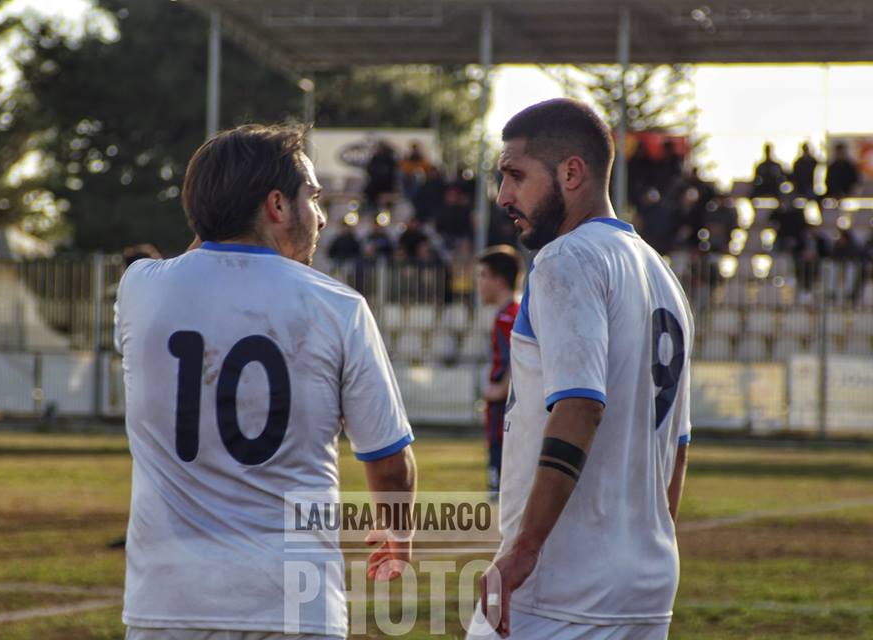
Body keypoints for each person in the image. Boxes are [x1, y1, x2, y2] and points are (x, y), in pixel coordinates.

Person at [115, 124, 416, 639]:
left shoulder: (140, 288)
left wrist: (214, 205)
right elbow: (389, 465)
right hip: (294, 603)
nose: (320, 216)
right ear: (277, 205)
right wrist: (399, 535)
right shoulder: (337, 306)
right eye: (312, 198)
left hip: (169, 603)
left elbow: (201, 256)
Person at [470, 99, 693, 640]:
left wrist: (524, 551)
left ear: (571, 172)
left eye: (515, 176)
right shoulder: (663, 277)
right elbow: (677, 446)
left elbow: (579, 406)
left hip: (562, 588)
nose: (504, 197)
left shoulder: (566, 259)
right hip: (644, 585)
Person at [475, 246, 521, 499]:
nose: (478, 283)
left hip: (505, 413)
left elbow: (519, 356)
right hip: (502, 412)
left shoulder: (509, 317)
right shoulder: (507, 314)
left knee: (501, 490)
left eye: (482, 275)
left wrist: (501, 389)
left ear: (499, 280)